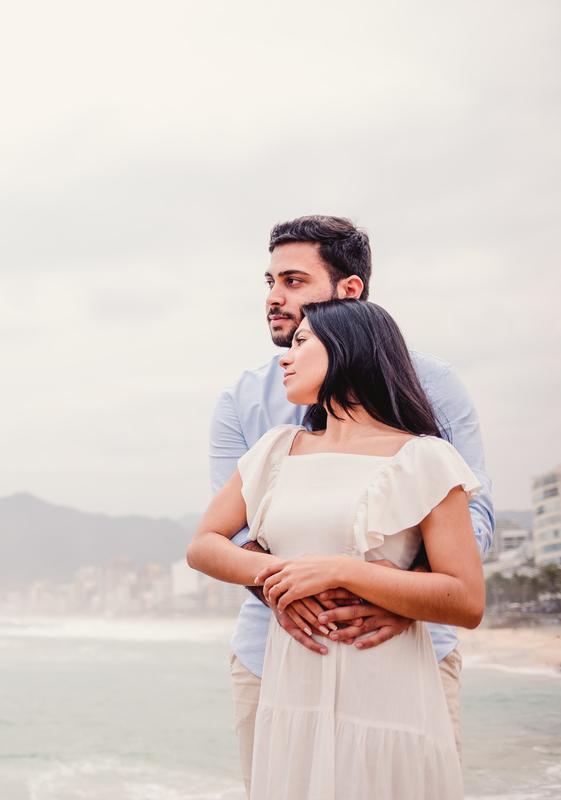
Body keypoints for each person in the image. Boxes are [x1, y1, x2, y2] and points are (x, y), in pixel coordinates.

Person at [196, 216, 493, 796]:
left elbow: (470, 524)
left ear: (349, 291)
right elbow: (228, 537)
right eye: (269, 281)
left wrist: (399, 593)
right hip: (273, 655)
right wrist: (284, 587)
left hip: (407, 655)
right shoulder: (243, 405)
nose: (274, 298)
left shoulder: (432, 389)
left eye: (294, 281)